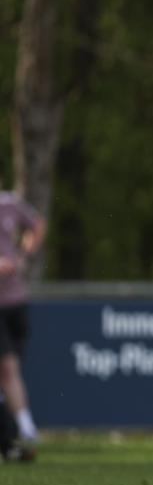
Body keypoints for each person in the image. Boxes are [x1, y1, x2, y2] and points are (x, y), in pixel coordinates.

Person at [0, 191, 46, 447]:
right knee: (8, 368)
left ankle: (12, 430)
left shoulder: (9, 204)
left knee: (11, 369)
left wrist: (24, 255)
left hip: (15, 300)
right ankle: (25, 427)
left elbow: (38, 224)